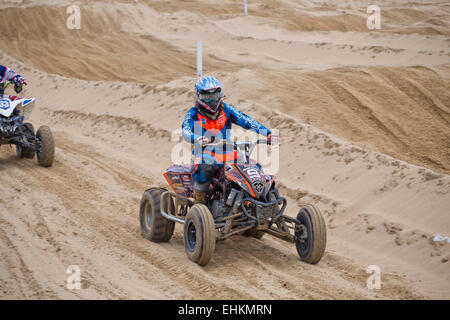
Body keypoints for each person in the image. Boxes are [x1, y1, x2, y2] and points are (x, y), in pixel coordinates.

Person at [182, 75, 274, 203]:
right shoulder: (193, 113)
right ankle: (199, 203)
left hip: (228, 151)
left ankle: (260, 201)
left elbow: (246, 120)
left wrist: (267, 133)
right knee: (206, 168)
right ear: (199, 96)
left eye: (215, 95)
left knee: (254, 167)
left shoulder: (226, 109)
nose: (212, 100)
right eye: (208, 97)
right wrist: (197, 138)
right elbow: (185, 130)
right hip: (204, 153)